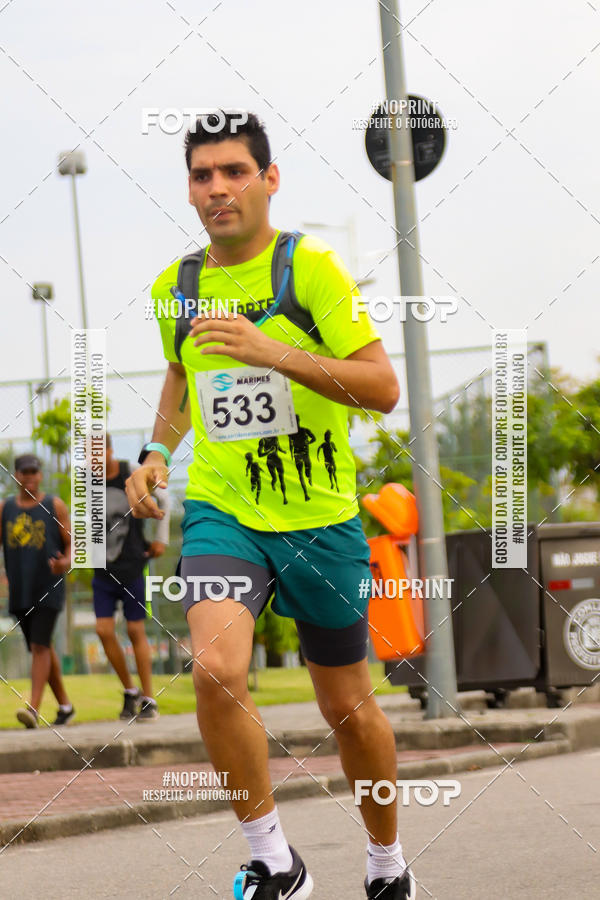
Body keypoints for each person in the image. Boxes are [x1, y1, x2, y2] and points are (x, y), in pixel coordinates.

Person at [126, 113, 415, 899]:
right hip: (226, 511)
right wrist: (156, 454)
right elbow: (183, 378)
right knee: (216, 669)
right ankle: (275, 860)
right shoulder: (175, 288)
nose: (217, 187)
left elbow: (383, 390)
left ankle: (387, 862)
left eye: (233, 171)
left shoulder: (311, 270)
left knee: (348, 708)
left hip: (320, 518)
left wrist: (271, 351)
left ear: (268, 179)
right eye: (201, 175)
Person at [93, 434, 170, 721]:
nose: (95, 459)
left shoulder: (128, 473)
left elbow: (163, 495)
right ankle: (130, 690)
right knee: (103, 630)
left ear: (111, 450)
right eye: (89, 454)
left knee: (136, 631)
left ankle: (149, 699)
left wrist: (161, 538)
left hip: (134, 567)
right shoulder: (88, 484)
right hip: (102, 571)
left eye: (99, 452)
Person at [0, 454, 74, 728]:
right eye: (24, 471)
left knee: (40, 645)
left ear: (40, 474)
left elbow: (71, 544)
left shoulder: (54, 505)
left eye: (34, 471)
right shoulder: (5, 508)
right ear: (17, 475)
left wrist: (65, 562)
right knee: (41, 648)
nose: (29, 476)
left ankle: (32, 709)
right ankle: (65, 706)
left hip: (49, 587)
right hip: (20, 590)